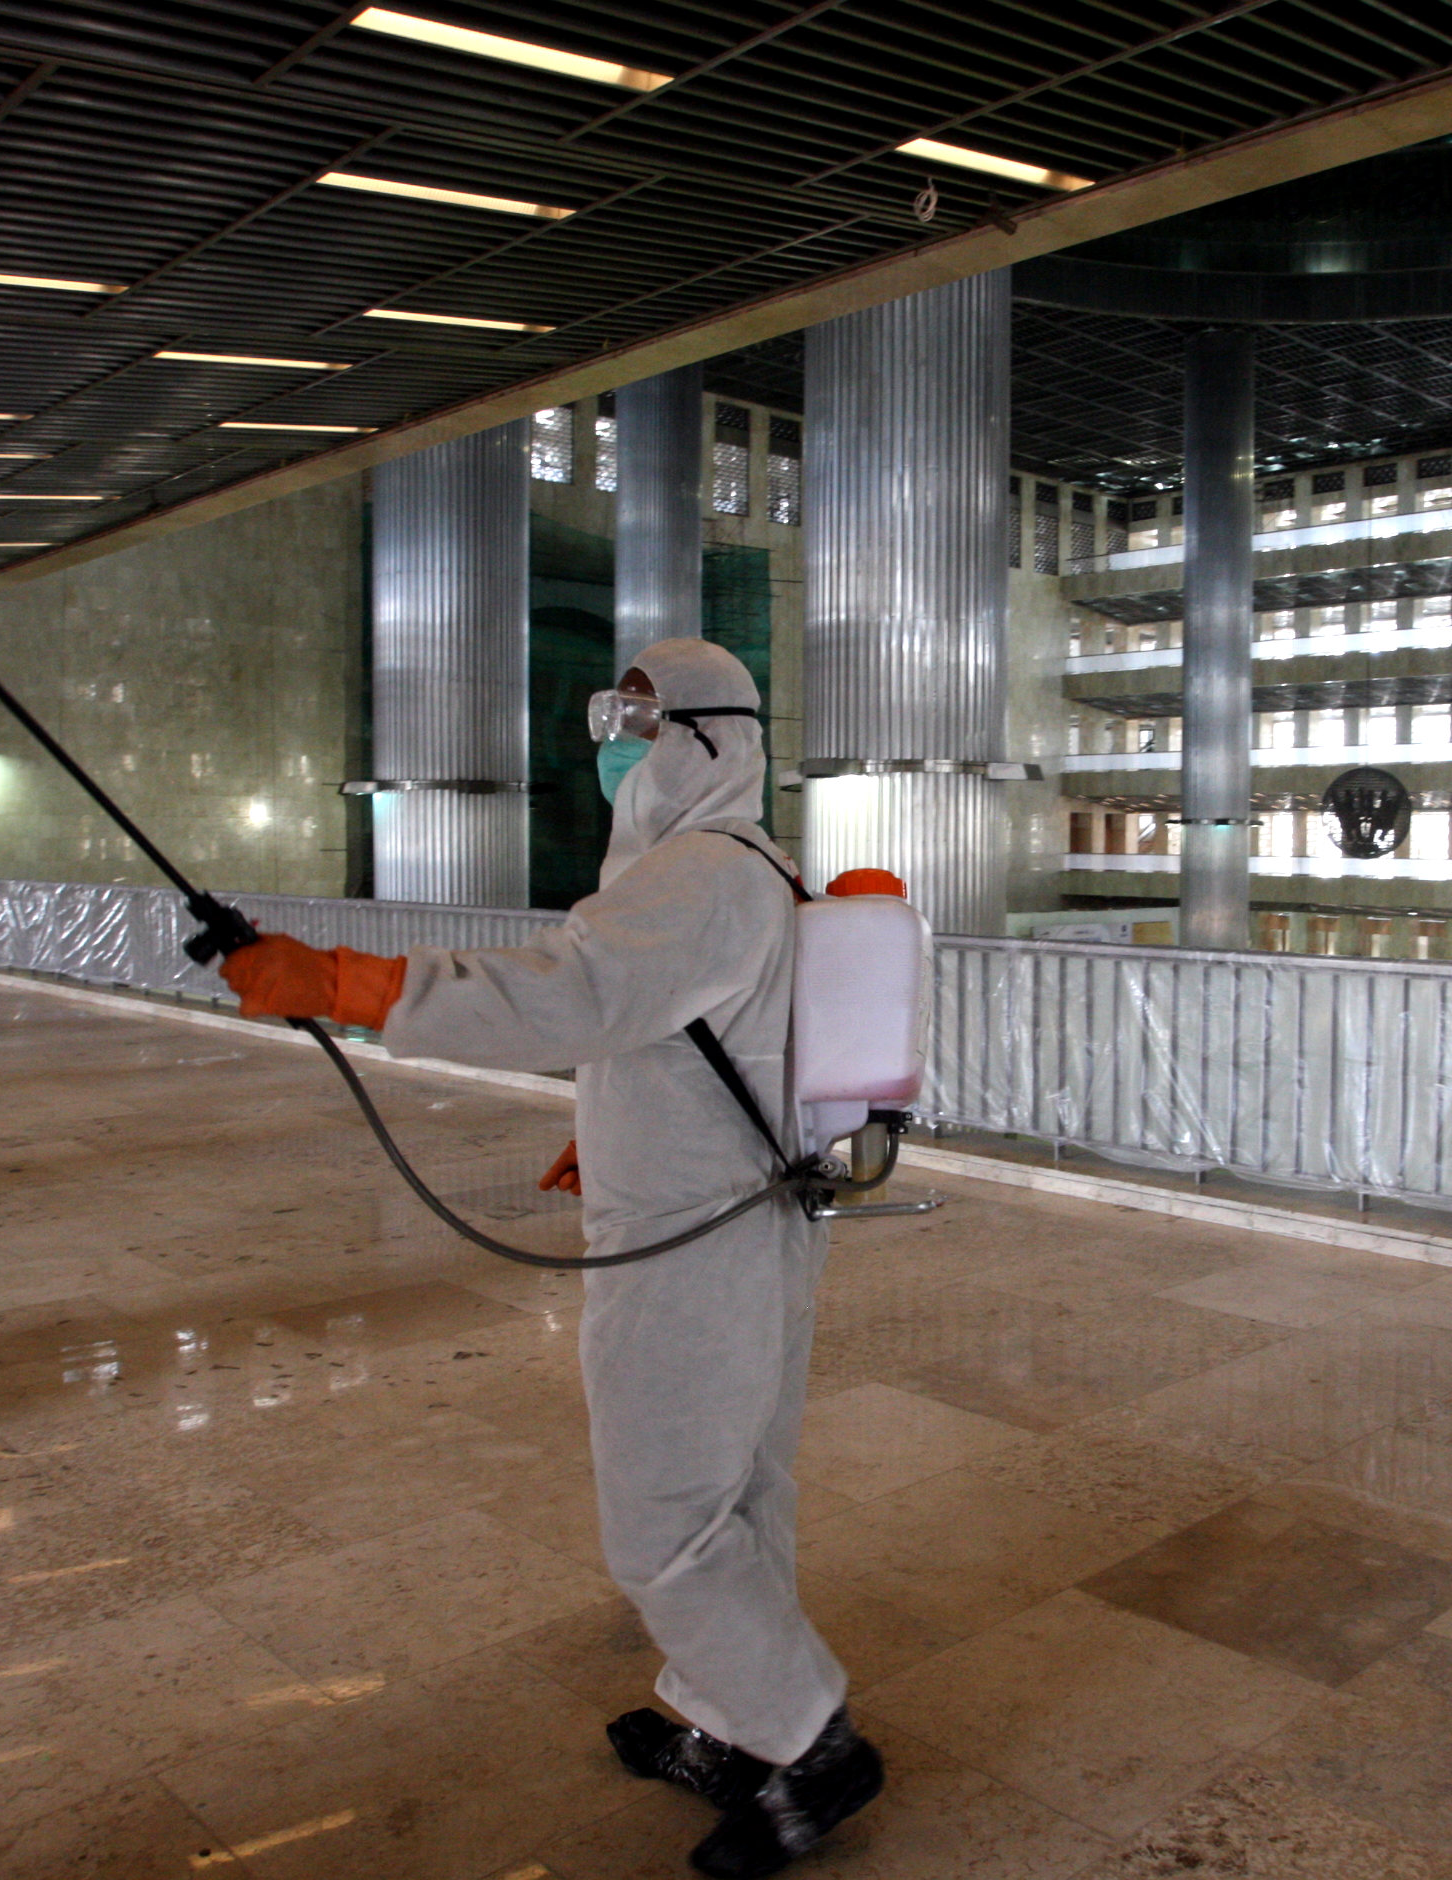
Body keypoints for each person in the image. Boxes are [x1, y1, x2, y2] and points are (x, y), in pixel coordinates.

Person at [217, 638, 880, 1876]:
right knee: (734, 1493)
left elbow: (566, 994)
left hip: (691, 1239)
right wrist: (615, 1127)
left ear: (704, 737)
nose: (615, 745)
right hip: (739, 1214)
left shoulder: (699, 872)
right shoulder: (750, 865)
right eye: (607, 717)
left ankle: (810, 1741)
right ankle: (735, 1719)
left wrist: (348, 982)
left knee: (664, 1521)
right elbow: (701, 1037)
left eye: (639, 719)